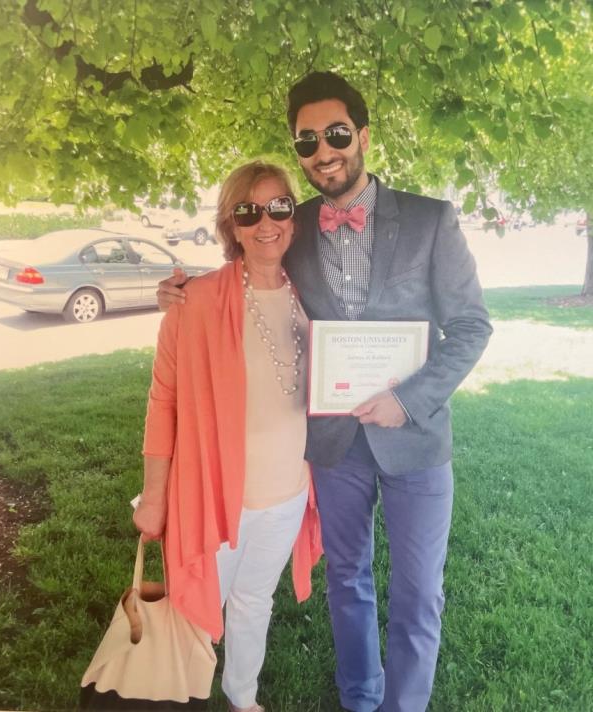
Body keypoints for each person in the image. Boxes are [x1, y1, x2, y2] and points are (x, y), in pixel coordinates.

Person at [158, 72, 492, 712]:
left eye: (336, 133)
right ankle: (360, 699)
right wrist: (181, 293)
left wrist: (409, 398)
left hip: (415, 440)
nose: (323, 150)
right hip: (334, 444)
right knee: (347, 578)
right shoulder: (293, 221)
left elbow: (472, 326)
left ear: (362, 136)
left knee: (419, 593)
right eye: (307, 140)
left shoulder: (431, 220)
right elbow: (249, 264)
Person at [133, 160, 322, 712]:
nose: (267, 222)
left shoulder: (312, 295)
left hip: (287, 492)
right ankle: (181, 693)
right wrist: (154, 496)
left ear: (295, 215)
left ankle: (242, 696)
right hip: (216, 497)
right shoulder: (193, 301)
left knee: (253, 600)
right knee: (195, 609)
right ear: (230, 225)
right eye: (249, 211)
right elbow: (162, 402)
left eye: (279, 207)